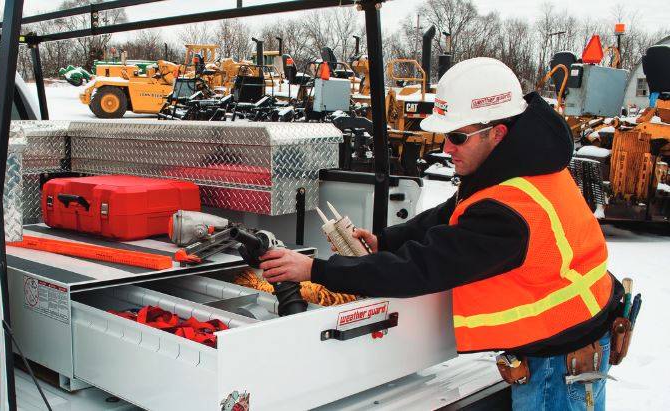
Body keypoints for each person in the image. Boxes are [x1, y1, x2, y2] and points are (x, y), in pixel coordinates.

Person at [258, 57, 623, 411]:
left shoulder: (509, 214)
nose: (446, 149)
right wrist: (385, 240)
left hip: (559, 359)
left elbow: (421, 268)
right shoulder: (518, 162)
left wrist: (316, 271)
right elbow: (452, 212)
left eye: (457, 137)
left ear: (497, 133)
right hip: (559, 338)